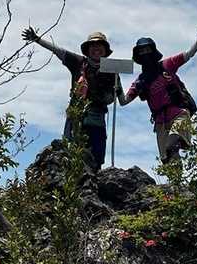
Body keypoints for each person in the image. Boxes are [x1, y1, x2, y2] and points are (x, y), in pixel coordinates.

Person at [21, 26, 125, 169]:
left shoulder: (112, 71)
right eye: (93, 46)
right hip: (77, 117)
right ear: (88, 49)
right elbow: (58, 50)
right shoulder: (79, 62)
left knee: (96, 159)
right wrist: (37, 39)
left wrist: (138, 88)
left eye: (100, 46)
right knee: (73, 155)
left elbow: (121, 100)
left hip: (98, 120)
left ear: (105, 50)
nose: (96, 49)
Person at [122, 21, 197, 168]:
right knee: (168, 160)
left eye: (147, 49)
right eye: (141, 51)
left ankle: (176, 163)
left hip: (179, 113)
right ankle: (177, 181)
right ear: (138, 55)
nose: (145, 53)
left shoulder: (167, 65)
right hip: (160, 122)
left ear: (153, 51)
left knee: (172, 143)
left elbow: (189, 54)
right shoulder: (140, 82)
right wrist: (115, 83)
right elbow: (124, 101)